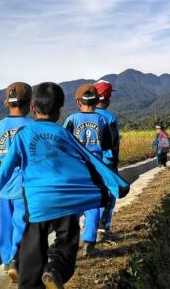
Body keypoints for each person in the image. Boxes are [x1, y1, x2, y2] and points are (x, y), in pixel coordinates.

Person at [0, 82, 129, 289]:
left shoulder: (22, 135)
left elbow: (0, 175)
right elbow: (91, 159)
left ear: (33, 109)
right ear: (60, 110)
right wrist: (118, 184)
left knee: (31, 247)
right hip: (65, 201)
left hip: (36, 204)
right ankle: (55, 269)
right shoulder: (64, 134)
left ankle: (28, 280)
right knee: (67, 240)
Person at [0, 82, 34, 283]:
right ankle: (16, 258)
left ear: (6, 103)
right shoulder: (33, 126)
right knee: (22, 224)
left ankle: (7, 261)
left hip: (4, 187)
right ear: (31, 104)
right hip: (26, 187)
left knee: (5, 226)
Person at [63, 84, 112, 256]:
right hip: (96, 169)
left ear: (77, 101)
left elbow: (63, 145)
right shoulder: (102, 120)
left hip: (75, 169)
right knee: (93, 205)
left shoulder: (71, 119)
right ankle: (89, 241)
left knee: (74, 205)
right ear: (97, 100)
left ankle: (71, 240)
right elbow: (107, 147)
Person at [93, 79, 119, 243]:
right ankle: (103, 228)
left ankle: (91, 229)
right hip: (107, 165)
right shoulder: (110, 118)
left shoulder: (83, 116)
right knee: (109, 196)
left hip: (87, 166)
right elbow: (114, 146)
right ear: (108, 98)